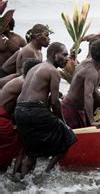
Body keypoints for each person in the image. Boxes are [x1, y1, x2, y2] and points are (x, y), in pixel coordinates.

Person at [14, 42, 76, 177]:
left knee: (31, 151)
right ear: (54, 55)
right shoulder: (53, 71)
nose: (67, 58)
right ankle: (47, 173)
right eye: (64, 55)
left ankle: (22, 181)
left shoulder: (34, 68)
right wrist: (64, 123)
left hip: (19, 110)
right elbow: (54, 102)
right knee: (69, 137)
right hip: (34, 110)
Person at [0, 58, 41, 173]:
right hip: (2, 120)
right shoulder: (24, 84)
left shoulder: (19, 80)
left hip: (4, 117)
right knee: (22, 145)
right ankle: (19, 181)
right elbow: (27, 108)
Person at [63, 39, 100, 128]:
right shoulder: (92, 72)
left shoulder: (86, 62)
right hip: (71, 108)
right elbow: (88, 95)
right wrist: (92, 121)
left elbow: (94, 90)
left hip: (77, 108)